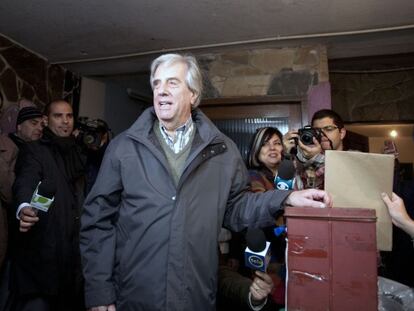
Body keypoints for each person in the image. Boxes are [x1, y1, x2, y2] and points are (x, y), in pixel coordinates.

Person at [80, 53, 332, 311]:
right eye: (157, 84)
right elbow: (98, 222)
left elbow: (236, 208)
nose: (161, 91)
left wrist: (285, 197)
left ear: (193, 94)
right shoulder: (123, 148)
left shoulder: (223, 151)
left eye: (172, 83)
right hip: (133, 298)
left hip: (195, 296)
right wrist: (99, 292)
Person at [11, 100, 86, 311]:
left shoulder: (77, 153)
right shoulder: (35, 150)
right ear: (46, 120)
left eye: (69, 116)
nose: (65, 121)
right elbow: (25, 180)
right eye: (58, 116)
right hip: (42, 265)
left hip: (72, 265)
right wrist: (24, 206)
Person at [283, 109, 347, 189]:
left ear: (342, 133)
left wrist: (316, 158)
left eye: (329, 129)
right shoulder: (301, 161)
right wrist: (285, 154)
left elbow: (340, 177)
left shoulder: (352, 160)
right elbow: (284, 190)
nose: (322, 134)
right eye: (317, 131)